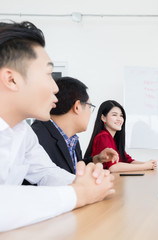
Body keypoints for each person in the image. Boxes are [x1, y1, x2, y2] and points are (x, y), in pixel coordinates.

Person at [0, 21, 114, 232]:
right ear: (12, 79)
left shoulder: (22, 132)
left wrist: (87, 183)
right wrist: (78, 194)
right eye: (48, 74)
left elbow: (45, 172)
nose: (55, 88)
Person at [32, 77, 119, 174]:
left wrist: (97, 159)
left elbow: (72, 167)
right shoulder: (37, 138)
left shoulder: (71, 139)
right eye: (89, 107)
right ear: (77, 107)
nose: (90, 113)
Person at [85, 100, 157, 172]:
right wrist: (145, 166)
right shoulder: (103, 136)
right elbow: (113, 167)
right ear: (103, 118)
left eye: (121, 115)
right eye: (114, 115)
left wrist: (148, 164)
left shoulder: (113, 138)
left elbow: (127, 160)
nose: (119, 119)